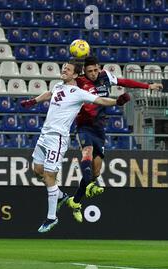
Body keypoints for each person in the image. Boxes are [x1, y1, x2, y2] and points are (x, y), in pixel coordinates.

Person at [20, 60, 131, 233]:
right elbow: (49, 94)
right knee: (37, 170)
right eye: (64, 68)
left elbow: (100, 100)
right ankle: (61, 196)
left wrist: (117, 102)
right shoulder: (58, 86)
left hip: (57, 138)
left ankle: (51, 218)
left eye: (68, 69)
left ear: (75, 75)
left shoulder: (79, 93)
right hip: (44, 135)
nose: (64, 70)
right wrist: (33, 101)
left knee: (49, 176)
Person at [67, 56, 163, 221]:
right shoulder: (79, 82)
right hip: (83, 126)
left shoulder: (105, 76)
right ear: (85, 71)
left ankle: (75, 201)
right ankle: (90, 185)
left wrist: (148, 86)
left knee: (96, 172)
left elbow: (125, 82)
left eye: (95, 70)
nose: (93, 74)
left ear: (99, 67)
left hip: (99, 129)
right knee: (87, 152)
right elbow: (65, 87)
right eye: (89, 71)